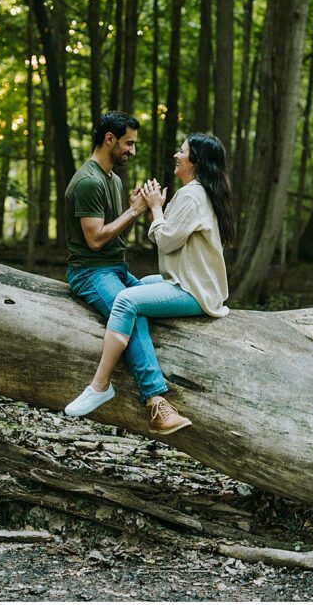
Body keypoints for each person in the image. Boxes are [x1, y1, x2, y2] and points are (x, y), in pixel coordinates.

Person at [65, 132, 235, 436]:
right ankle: (143, 397)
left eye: (181, 151)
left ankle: (100, 384)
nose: (175, 155)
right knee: (142, 287)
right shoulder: (198, 192)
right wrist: (148, 208)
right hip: (192, 282)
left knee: (127, 300)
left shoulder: (192, 194)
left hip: (192, 290)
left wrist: (156, 207)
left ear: (195, 161)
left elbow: (166, 241)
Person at [62, 111, 188, 434]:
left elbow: (111, 234)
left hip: (115, 268)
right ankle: (156, 402)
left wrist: (133, 211)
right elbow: (94, 240)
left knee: (151, 296)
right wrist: (134, 211)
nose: (132, 151)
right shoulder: (89, 181)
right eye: (128, 143)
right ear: (109, 139)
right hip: (89, 273)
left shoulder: (113, 180)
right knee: (131, 309)